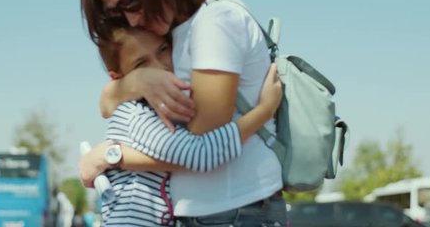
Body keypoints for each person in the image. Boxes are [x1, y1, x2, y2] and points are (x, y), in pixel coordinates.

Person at [80, 0, 286, 226]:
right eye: (116, 13)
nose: (132, 18)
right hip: (207, 214)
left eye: (132, 0)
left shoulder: (215, 21)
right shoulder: (173, 33)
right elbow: (107, 103)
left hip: (237, 211)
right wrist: (135, 81)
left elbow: (200, 144)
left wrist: (111, 156)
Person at [81, 26, 282, 226]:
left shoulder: (154, 109)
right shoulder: (136, 115)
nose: (161, 67)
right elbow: (200, 153)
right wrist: (264, 111)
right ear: (119, 78)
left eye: (163, 49)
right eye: (142, 64)